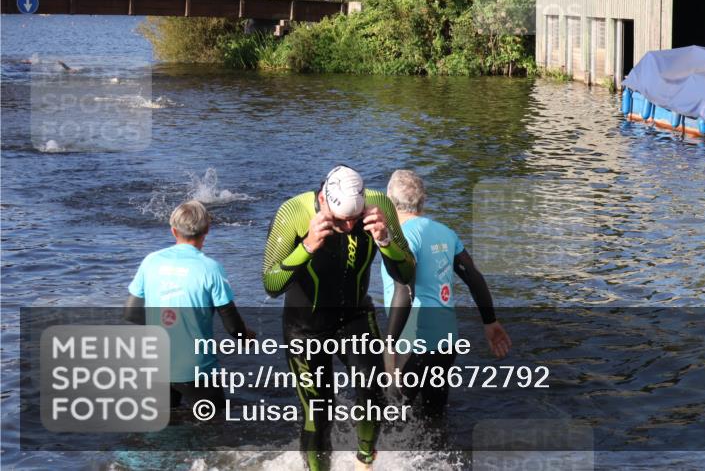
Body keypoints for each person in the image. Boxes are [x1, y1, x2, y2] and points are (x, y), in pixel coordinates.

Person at [262, 165, 415, 471]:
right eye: (340, 218)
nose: (347, 226)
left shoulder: (379, 205)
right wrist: (305, 248)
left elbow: (407, 273)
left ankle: (365, 460)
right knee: (318, 412)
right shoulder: (293, 213)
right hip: (306, 327)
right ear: (323, 199)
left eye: (354, 219)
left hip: (354, 315)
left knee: (373, 387)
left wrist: (385, 240)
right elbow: (271, 284)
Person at [382, 170, 511, 435]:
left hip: (412, 340)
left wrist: (390, 345)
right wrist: (490, 321)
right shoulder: (445, 232)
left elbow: (405, 290)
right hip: (445, 343)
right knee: (434, 418)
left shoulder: (401, 237)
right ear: (423, 201)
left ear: (388, 203)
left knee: (393, 417)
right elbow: (473, 276)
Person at [125, 200, 255, 415]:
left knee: (162, 429)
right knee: (213, 430)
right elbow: (233, 327)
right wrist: (247, 337)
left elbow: (130, 313)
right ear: (207, 229)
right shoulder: (211, 269)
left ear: (173, 231)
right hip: (197, 368)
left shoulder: (151, 261)